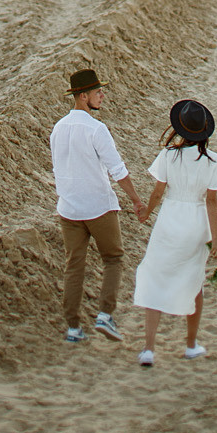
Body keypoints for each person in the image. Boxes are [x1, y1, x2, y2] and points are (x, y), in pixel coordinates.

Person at [50, 67, 144, 343]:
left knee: (73, 266)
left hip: (68, 209)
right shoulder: (96, 129)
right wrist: (136, 200)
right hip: (99, 207)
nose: (102, 95)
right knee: (113, 259)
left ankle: (73, 328)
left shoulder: (58, 128)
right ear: (82, 96)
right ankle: (105, 315)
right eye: (97, 92)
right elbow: (118, 171)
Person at [132, 98, 217, 366]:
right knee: (194, 283)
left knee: (156, 277)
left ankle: (149, 348)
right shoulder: (214, 161)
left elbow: (158, 192)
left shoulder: (168, 156)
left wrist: (147, 212)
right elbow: (211, 201)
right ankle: (191, 345)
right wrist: (216, 238)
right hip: (197, 223)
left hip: (170, 220)